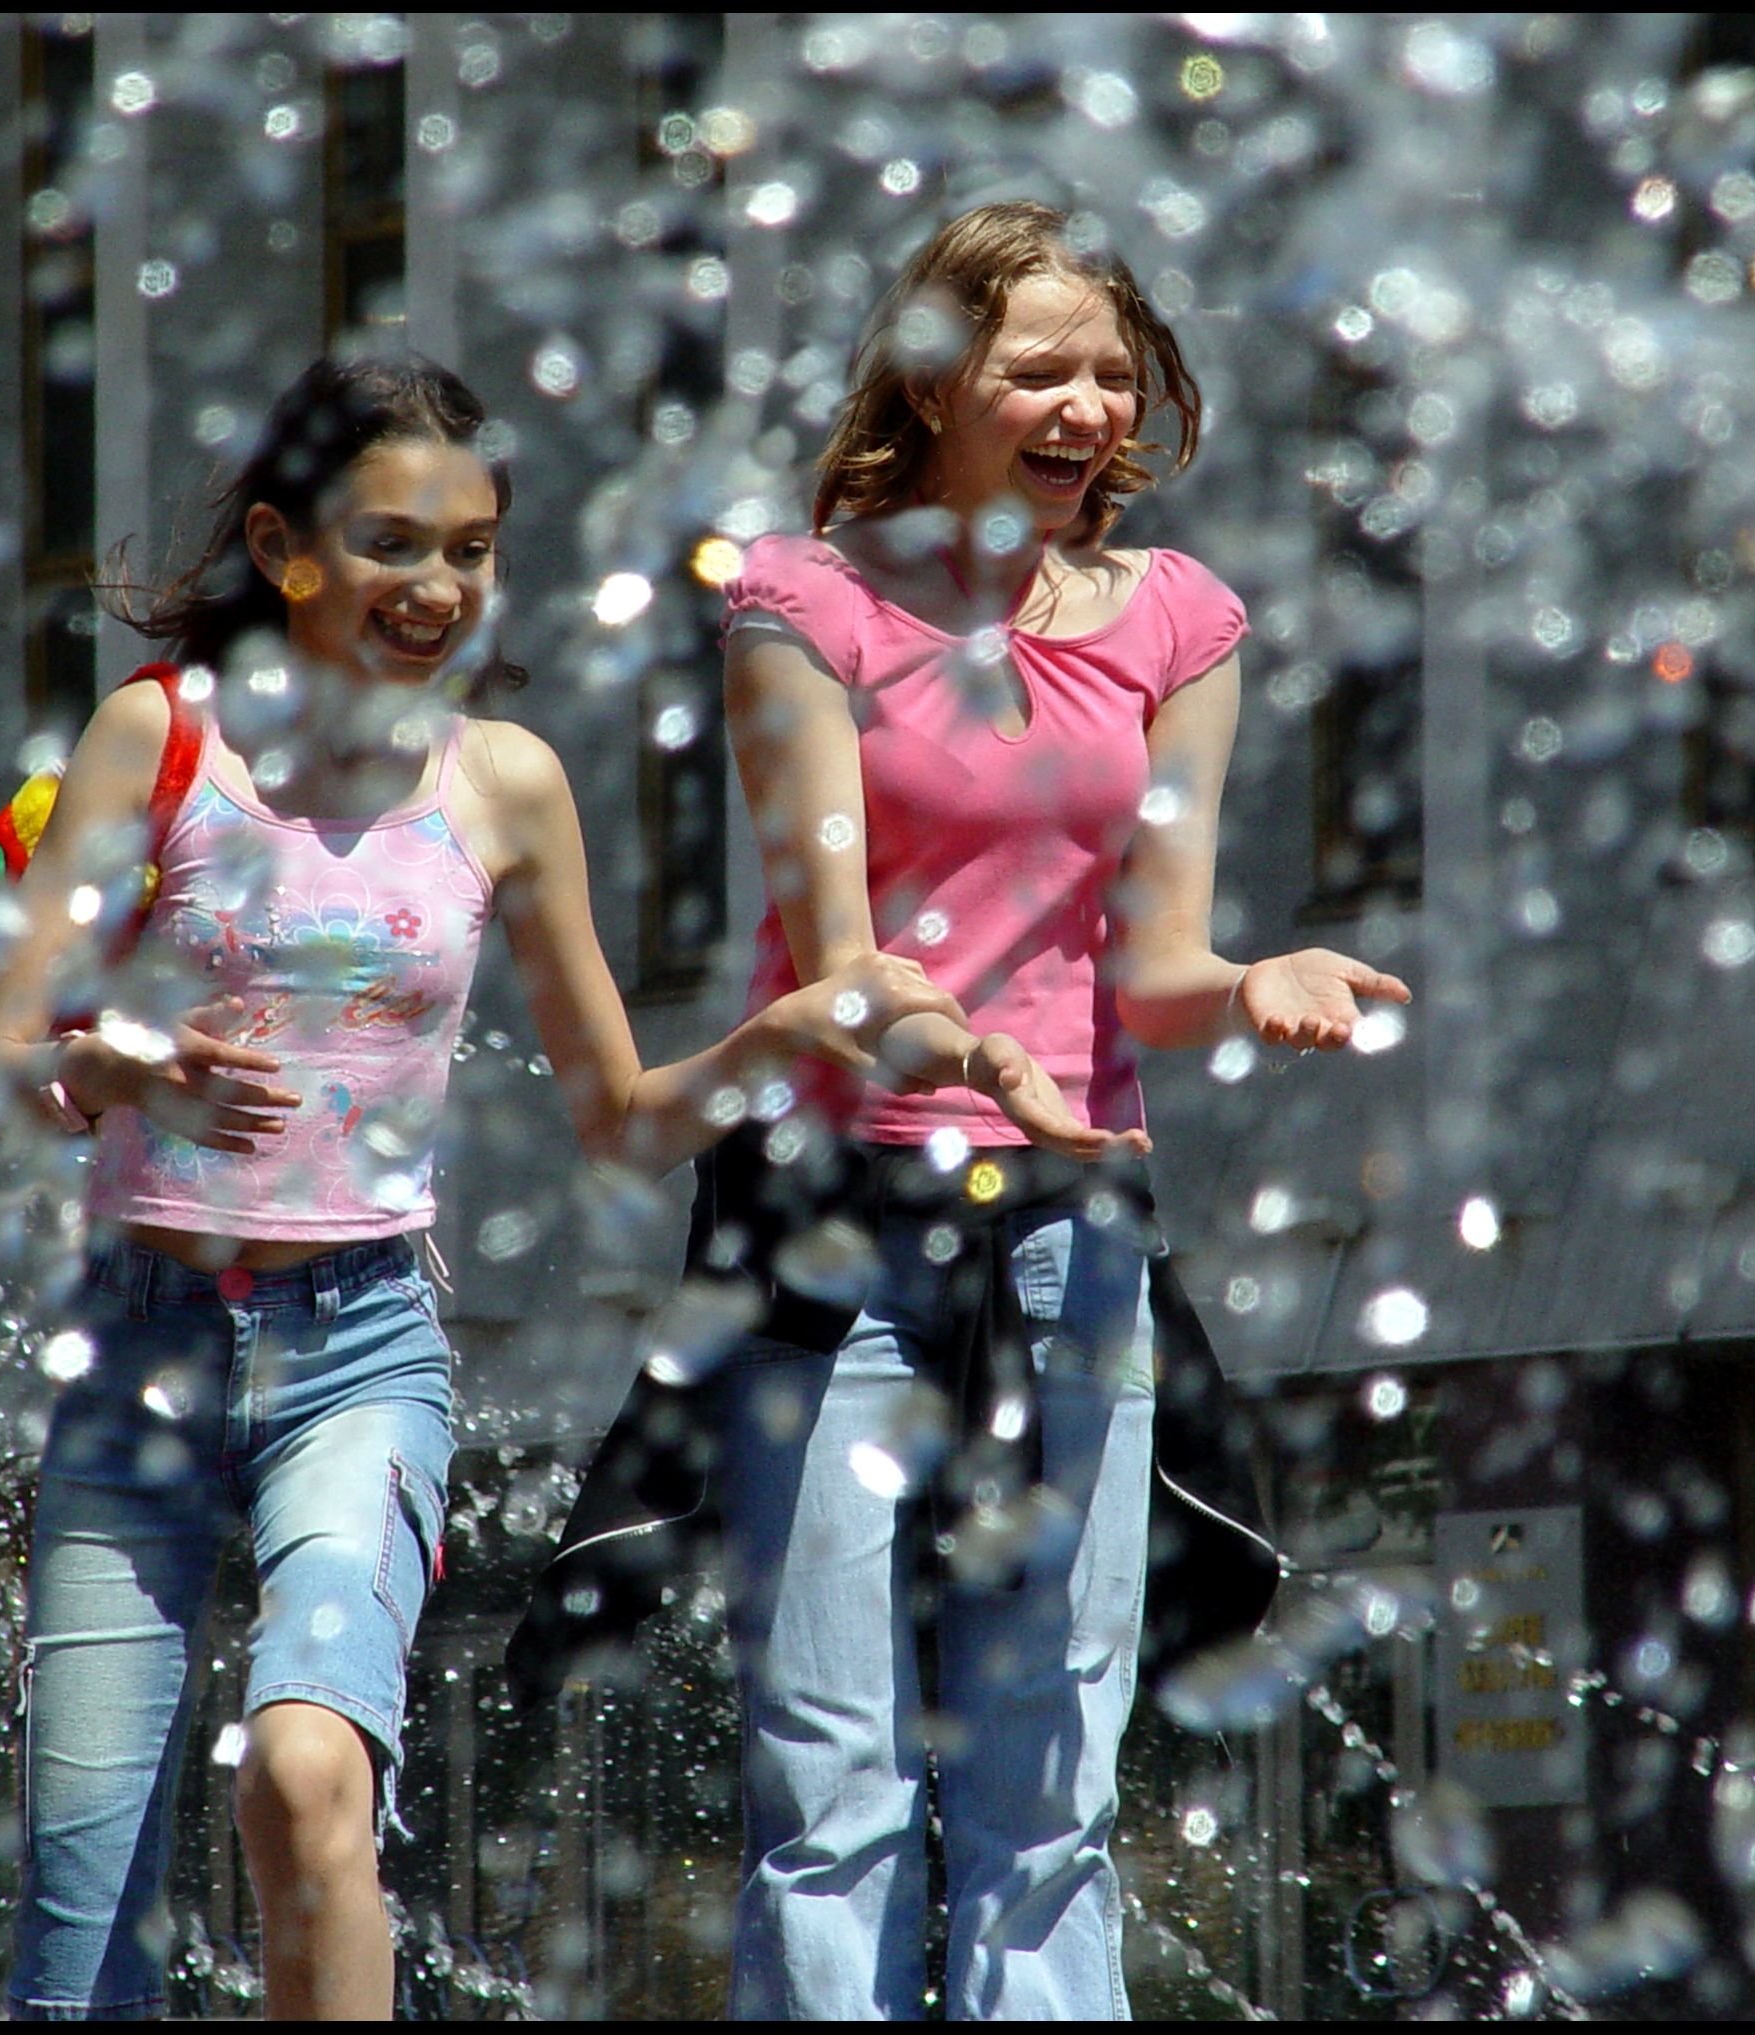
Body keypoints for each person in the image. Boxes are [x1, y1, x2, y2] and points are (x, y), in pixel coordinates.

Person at [0, 353, 1063, 2020]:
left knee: (307, 1777)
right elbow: (2, 1046)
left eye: (472, 550)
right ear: (282, 545)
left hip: (359, 1354)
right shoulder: (159, 741)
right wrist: (116, 1061)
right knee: (79, 1918)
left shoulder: (504, 785)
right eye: (394, 545)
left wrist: (799, 1031)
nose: (441, 589)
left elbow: (625, 1115)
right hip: (138, 1353)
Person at [512, 202, 1412, 2018]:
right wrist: (935, 1037)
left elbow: (1152, 965)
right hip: (836, 1227)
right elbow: (841, 969)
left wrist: (1249, 984)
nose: (1085, 405)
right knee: (834, 1771)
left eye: (1110, 373)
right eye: (1038, 369)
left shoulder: (1177, 623)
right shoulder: (807, 601)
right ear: (936, 389)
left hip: (1074, 1232)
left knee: (1049, 1776)